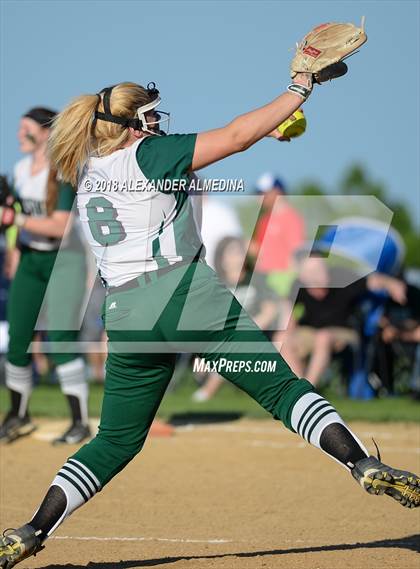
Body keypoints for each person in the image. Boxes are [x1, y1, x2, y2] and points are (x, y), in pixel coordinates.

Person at [1, 78, 418, 568]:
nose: (157, 122)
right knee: (283, 391)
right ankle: (360, 462)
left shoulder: (89, 169)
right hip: (184, 295)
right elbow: (234, 136)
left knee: (113, 441)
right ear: (130, 124)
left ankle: (31, 529)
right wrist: (298, 89)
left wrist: (266, 131)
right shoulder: (150, 154)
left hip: (128, 315)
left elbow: (197, 168)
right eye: (150, 115)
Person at [0, 107, 90, 446]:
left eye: (27, 129)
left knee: (61, 339)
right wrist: (14, 253)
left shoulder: (62, 169)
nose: (20, 135)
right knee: (18, 340)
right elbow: (17, 222)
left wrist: (14, 219)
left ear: (46, 132)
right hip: (31, 259)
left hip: (64, 259)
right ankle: (18, 415)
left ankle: (79, 422)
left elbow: (59, 227)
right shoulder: (22, 170)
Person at [279, 256, 408, 387]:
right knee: (283, 337)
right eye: (316, 270)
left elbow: (373, 281)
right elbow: (288, 315)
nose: (322, 272)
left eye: (323, 268)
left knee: (323, 336)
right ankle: (299, 388)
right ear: (304, 277)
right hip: (312, 332)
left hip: (344, 332)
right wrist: (289, 329)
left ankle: (309, 388)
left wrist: (393, 284)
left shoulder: (341, 276)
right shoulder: (298, 285)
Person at [193, 236, 279, 401]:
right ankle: (207, 384)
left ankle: (208, 391)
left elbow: (271, 310)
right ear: (222, 259)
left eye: (240, 252)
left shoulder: (257, 279)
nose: (237, 257)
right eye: (232, 253)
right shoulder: (215, 283)